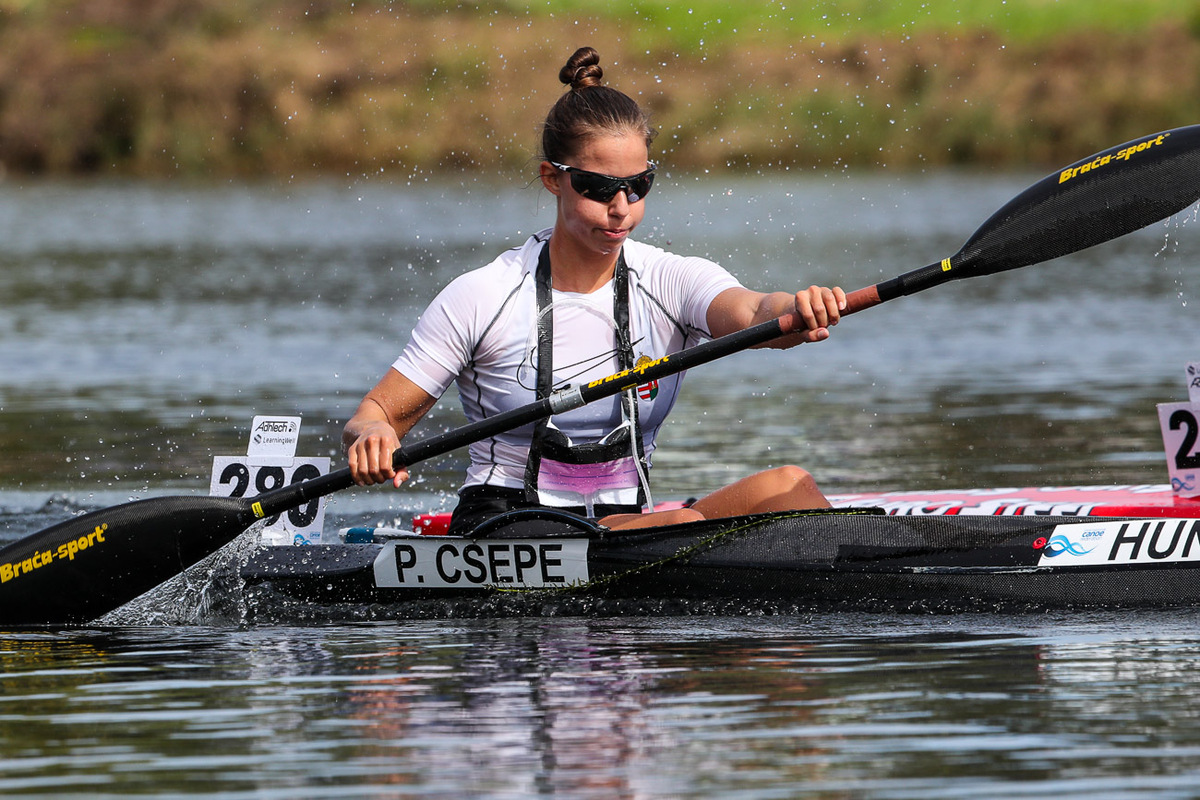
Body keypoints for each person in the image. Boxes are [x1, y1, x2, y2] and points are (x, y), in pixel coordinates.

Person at [344, 46, 845, 534]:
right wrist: (374, 436)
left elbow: (757, 312)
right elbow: (376, 413)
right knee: (681, 525)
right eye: (599, 187)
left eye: (638, 185)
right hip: (507, 524)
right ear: (552, 179)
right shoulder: (482, 296)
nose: (622, 207)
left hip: (628, 524)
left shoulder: (669, 280)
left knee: (790, 486)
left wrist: (796, 309)